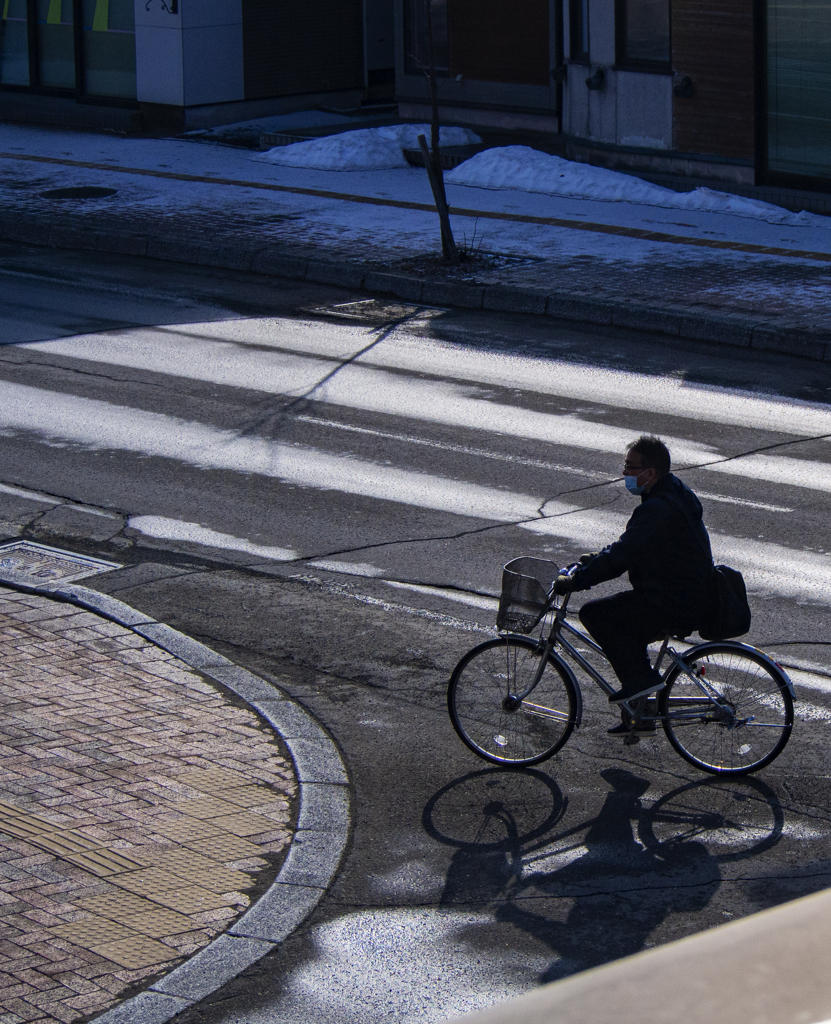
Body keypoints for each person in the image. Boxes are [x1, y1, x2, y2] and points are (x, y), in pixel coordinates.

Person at [554, 435, 713, 735]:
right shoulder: (672, 491)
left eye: (630, 467)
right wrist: (596, 558)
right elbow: (634, 546)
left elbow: (622, 556)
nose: (625, 474)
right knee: (627, 625)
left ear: (650, 473)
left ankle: (640, 683)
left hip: (674, 600)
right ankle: (640, 714)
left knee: (595, 613)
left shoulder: (658, 508)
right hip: (681, 592)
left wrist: (578, 580)